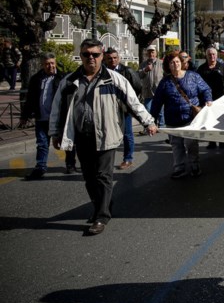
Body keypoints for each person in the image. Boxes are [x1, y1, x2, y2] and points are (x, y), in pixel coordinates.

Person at [49, 39, 158, 235]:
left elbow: (134, 103)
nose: (91, 58)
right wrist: (55, 132)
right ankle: (102, 205)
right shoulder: (69, 81)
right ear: (81, 56)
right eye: (86, 54)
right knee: (89, 178)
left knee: (103, 176)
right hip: (82, 136)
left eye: (95, 54)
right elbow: (57, 108)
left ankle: (101, 216)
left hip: (107, 134)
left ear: (101, 56)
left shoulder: (115, 79)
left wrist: (148, 121)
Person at [150, 51, 212, 179]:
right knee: (176, 145)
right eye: (172, 62)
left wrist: (208, 99)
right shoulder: (165, 82)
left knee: (191, 143)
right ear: (168, 65)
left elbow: (206, 89)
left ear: (182, 63)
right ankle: (179, 167)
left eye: (177, 61)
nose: (175, 64)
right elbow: (157, 102)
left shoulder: (193, 76)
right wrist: (151, 120)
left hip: (190, 118)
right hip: (172, 120)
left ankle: (195, 165)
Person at [19, 52, 77, 179]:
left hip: (60, 118)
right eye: (46, 64)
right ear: (42, 65)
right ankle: (40, 167)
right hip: (42, 117)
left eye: (52, 63)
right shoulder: (36, 78)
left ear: (55, 63)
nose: (50, 66)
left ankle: (70, 164)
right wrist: (25, 116)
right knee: (42, 143)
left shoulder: (64, 77)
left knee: (66, 141)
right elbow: (31, 99)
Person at [104, 48, 143, 170]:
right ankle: (106, 162)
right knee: (108, 136)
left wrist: (129, 103)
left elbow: (138, 87)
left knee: (127, 134)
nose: (112, 60)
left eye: (115, 58)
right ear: (105, 59)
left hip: (124, 109)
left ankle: (128, 159)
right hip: (107, 109)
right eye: (109, 58)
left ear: (119, 58)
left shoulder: (127, 71)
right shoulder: (102, 72)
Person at [139, 45, 165, 127]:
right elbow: (139, 75)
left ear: (156, 53)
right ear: (147, 53)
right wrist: (145, 70)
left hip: (159, 91)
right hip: (147, 91)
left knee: (160, 110)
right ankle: (151, 125)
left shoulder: (161, 63)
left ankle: (162, 126)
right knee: (148, 109)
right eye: (149, 52)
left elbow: (166, 75)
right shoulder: (143, 64)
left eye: (153, 52)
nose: (151, 54)